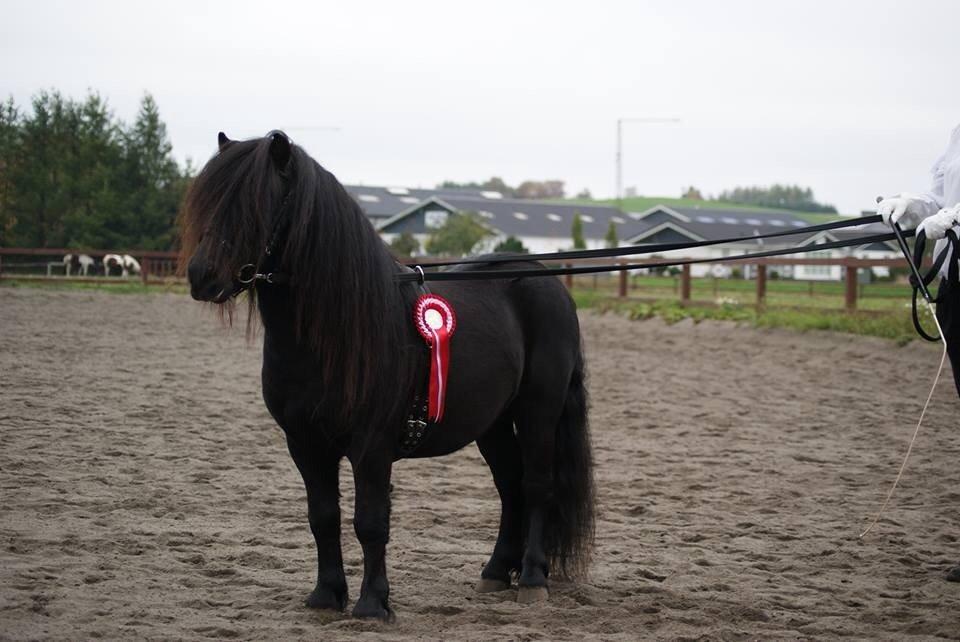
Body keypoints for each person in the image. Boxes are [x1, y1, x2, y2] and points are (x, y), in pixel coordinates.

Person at [876, 122, 960, 583]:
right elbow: (938, 200)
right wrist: (911, 206)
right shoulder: (957, 134)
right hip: (955, 285)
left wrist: (958, 215)